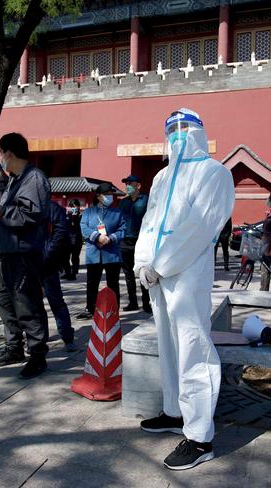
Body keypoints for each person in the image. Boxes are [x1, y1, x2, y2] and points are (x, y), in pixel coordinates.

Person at [134, 109, 235, 470]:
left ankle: (199, 436)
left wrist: (159, 265)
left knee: (193, 348)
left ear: (199, 132)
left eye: (184, 128)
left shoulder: (215, 173)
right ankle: (174, 411)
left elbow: (200, 227)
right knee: (168, 348)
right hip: (157, 277)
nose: (178, 134)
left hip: (187, 275)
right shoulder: (162, 177)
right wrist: (142, 264)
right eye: (171, 129)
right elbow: (150, 222)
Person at [0, 132, 51, 379]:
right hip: (5, 254)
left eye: (1, 154)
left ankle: (37, 355)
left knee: (27, 304)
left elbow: (32, 214)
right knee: (4, 303)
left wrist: (2, 213)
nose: (0, 159)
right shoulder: (15, 180)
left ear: (9, 153)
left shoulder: (34, 178)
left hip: (23, 255)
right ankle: (13, 348)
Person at [77, 182, 125, 320]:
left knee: (113, 283)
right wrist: (97, 237)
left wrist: (110, 238)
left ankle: (113, 310)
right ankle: (90, 308)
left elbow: (123, 229)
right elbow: (83, 227)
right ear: (98, 196)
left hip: (112, 254)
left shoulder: (117, 212)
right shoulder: (89, 212)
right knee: (92, 283)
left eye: (111, 194)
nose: (110, 197)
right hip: (94, 254)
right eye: (107, 195)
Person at [43, 201, 77, 352]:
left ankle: (67, 336)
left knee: (56, 300)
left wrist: (48, 254)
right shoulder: (26, 205)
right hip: (29, 261)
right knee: (34, 304)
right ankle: (39, 337)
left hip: (48, 262)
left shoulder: (54, 209)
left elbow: (61, 233)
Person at [118, 175, 151, 313]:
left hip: (142, 241)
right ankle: (133, 302)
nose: (127, 186)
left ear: (138, 185)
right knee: (128, 274)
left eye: (130, 183)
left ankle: (146, 302)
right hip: (125, 242)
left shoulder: (147, 200)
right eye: (126, 184)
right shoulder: (123, 202)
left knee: (144, 273)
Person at [62, 199, 83, 281]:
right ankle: (67, 273)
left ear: (78, 207)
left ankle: (74, 273)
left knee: (75, 257)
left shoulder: (81, 216)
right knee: (64, 257)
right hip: (67, 240)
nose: (74, 208)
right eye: (72, 206)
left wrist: (76, 216)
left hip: (77, 240)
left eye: (75, 206)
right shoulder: (66, 216)